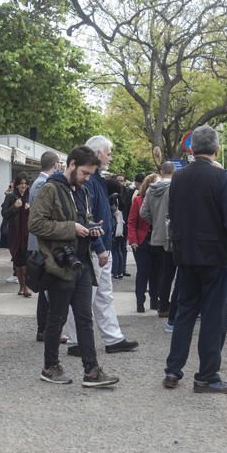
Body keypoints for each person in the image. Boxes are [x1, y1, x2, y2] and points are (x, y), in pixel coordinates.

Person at [28, 145, 120, 387]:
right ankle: (50, 367)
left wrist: (91, 229)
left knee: (84, 318)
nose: (87, 178)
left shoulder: (82, 190)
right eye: (84, 173)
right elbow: (35, 224)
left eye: (90, 174)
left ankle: (91, 371)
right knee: (56, 319)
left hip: (81, 263)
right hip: (59, 264)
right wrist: (72, 228)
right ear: (71, 165)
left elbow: (83, 219)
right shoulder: (50, 189)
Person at [163, 125, 227, 394]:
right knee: (213, 316)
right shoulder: (221, 178)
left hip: (185, 253)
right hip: (215, 255)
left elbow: (173, 214)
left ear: (191, 148)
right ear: (216, 149)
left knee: (185, 311)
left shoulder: (179, 177)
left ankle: (173, 369)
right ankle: (207, 374)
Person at [65, 135, 139, 356]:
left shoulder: (94, 180)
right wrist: (99, 247)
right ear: (97, 154)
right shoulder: (92, 181)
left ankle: (106, 338)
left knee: (99, 294)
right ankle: (81, 340)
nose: (110, 157)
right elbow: (89, 218)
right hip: (95, 247)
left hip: (98, 246)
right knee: (90, 295)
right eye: (108, 152)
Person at [30, 152, 61, 342]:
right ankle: (45, 329)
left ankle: (45, 329)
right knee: (48, 289)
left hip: (39, 241)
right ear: (56, 164)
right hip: (43, 242)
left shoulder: (38, 182)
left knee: (46, 289)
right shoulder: (44, 184)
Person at [141, 161, 176, 319]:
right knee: (173, 272)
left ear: (161, 171)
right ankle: (170, 304)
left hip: (156, 236)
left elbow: (143, 212)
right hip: (172, 236)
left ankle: (161, 304)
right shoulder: (175, 188)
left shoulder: (150, 189)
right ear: (173, 171)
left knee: (161, 272)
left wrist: (155, 221)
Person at [128, 173, 158, 313]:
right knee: (143, 272)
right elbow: (132, 222)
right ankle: (140, 302)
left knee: (156, 272)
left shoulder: (161, 199)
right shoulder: (138, 200)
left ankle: (154, 300)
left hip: (157, 240)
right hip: (141, 241)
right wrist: (133, 240)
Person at [2, 173, 32, 297]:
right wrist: (15, 207)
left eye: (25, 183)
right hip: (14, 233)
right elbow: (4, 213)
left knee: (26, 261)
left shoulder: (30, 196)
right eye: (21, 183)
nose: (23, 186)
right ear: (17, 185)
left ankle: (26, 287)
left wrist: (30, 209)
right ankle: (21, 286)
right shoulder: (11, 197)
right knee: (18, 261)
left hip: (28, 233)